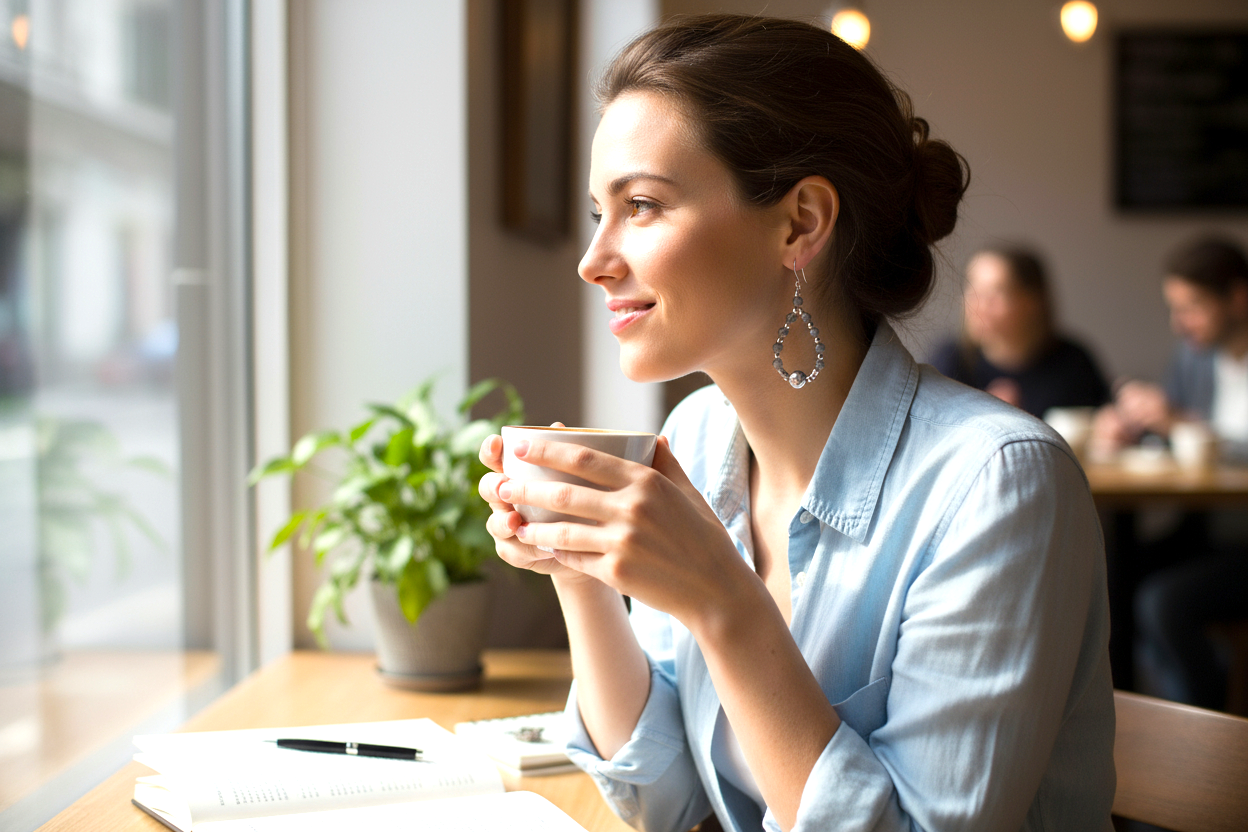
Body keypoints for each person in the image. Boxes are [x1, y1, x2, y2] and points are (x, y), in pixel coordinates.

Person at [478, 15, 1114, 832]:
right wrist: (578, 567)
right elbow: (666, 804)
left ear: (800, 223)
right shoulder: (702, 439)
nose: (593, 259)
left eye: (640, 205)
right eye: (599, 211)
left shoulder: (999, 487)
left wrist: (724, 604)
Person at [1094, 237, 1248, 463]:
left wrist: (1183, 426)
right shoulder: (1193, 359)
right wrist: (1133, 429)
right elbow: (1168, 435)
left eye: (1192, 307)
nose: (1178, 326)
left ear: (1238, 299)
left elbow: (1179, 424)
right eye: (1175, 309)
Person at [930, 246, 1110, 419]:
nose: (977, 305)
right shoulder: (950, 361)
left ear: (1032, 302)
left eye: (995, 293)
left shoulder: (1074, 362)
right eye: (972, 290)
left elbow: (1104, 416)